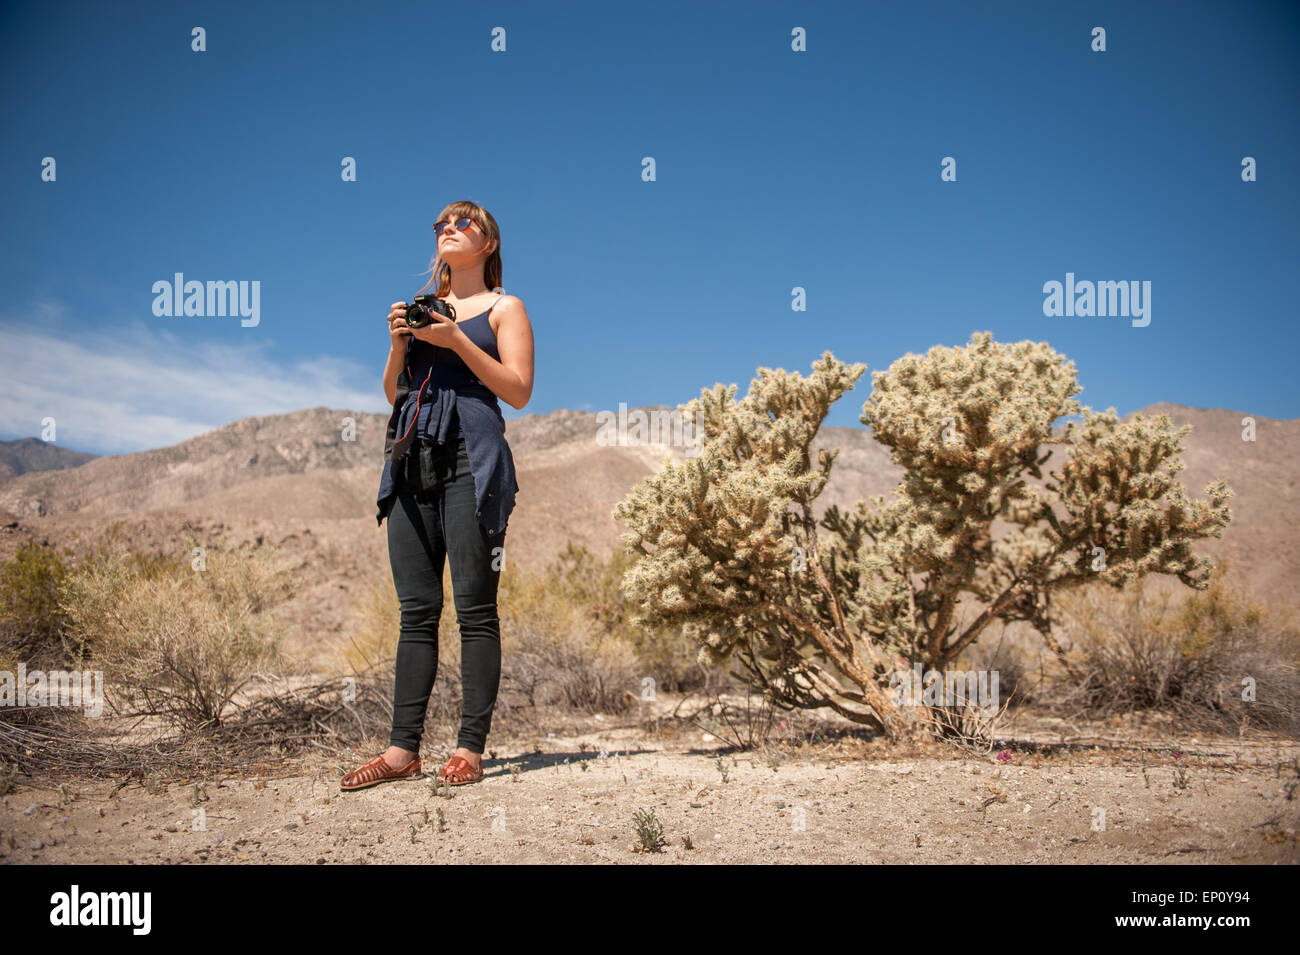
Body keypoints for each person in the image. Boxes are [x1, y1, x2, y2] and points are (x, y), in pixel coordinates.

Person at [342, 200, 535, 791]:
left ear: (488, 242)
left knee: (475, 610)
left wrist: (455, 341)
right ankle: (402, 751)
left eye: (461, 223)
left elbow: (519, 389)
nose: (448, 230)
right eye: (440, 226)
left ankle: (468, 748)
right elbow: (394, 392)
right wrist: (402, 344)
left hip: (470, 459)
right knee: (415, 612)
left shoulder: (506, 308)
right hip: (411, 457)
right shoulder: (426, 309)